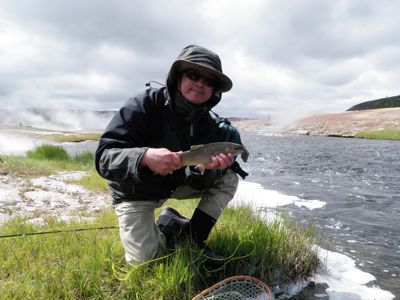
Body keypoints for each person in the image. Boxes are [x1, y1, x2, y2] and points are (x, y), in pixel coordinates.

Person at [95, 44, 247, 264]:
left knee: (228, 177)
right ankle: (169, 225)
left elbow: (196, 173)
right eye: (194, 75)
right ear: (178, 77)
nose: (200, 83)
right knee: (146, 263)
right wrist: (144, 157)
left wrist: (208, 169)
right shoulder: (143, 104)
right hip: (135, 191)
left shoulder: (211, 125)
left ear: (214, 90)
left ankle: (192, 239)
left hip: (174, 184)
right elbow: (104, 157)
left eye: (209, 81)